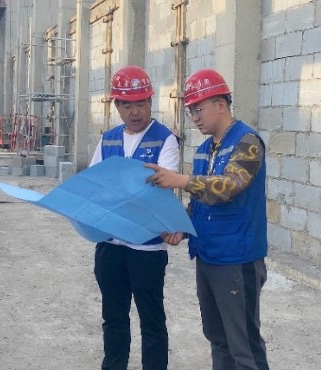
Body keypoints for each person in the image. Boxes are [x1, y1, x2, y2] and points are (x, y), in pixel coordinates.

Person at [145, 68, 269, 370]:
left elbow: (230, 186)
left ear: (221, 104)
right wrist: (182, 228)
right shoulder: (204, 149)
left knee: (244, 345)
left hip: (237, 259)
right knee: (217, 337)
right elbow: (201, 202)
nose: (195, 118)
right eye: (191, 112)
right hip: (209, 255)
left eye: (199, 109)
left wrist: (181, 180)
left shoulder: (247, 142)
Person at [89, 65, 179, 370]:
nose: (135, 112)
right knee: (113, 317)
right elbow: (95, 184)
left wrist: (117, 190)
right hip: (110, 245)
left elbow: (159, 190)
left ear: (150, 101)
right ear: (117, 106)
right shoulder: (108, 140)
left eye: (141, 103)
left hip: (147, 247)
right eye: (127, 105)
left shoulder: (165, 140)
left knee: (151, 320)